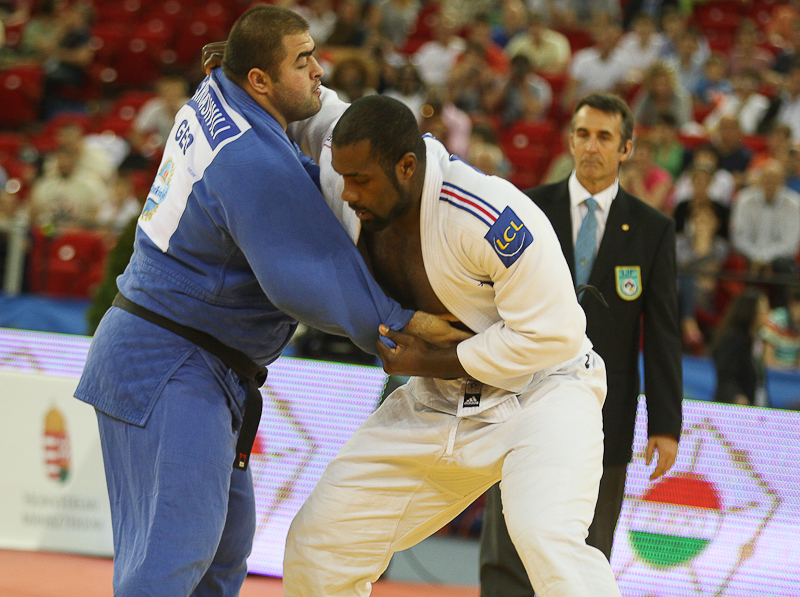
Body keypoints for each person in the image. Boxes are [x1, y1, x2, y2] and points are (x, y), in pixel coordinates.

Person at [73, 7, 461, 597]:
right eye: (302, 62)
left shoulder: (218, 97)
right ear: (259, 80)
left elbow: (278, 116)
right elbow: (304, 272)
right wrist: (401, 319)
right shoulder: (249, 156)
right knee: (171, 560)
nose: (318, 71)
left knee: (223, 556)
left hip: (187, 364)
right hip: (170, 364)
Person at [282, 94, 624, 596]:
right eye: (343, 177)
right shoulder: (350, 171)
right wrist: (247, 70)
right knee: (320, 543)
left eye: (361, 181)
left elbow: (554, 335)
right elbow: (313, 111)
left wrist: (434, 359)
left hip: (544, 393)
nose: (347, 192)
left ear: (406, 166)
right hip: (441, 402)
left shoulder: (489, 215)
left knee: (548, 542)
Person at [479, 92, 683, 595]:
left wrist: (666, 425)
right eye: (582, 134)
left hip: (605, 415)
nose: (591, 146)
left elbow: (661, 332)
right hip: (522, 399)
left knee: (585, 554)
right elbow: (492, 304)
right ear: (570, 139)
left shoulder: (652, 229)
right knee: (507, 547)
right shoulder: (527, 208)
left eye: (604, 137)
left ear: (626, 149)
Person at [711, 288, 771, 406]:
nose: (768, 314)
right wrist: (737, 397)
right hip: (735, 410)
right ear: (751, 312)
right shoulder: (732, 340)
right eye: (764, 310)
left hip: (754, 408)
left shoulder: (756, 341)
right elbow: (726, 376)